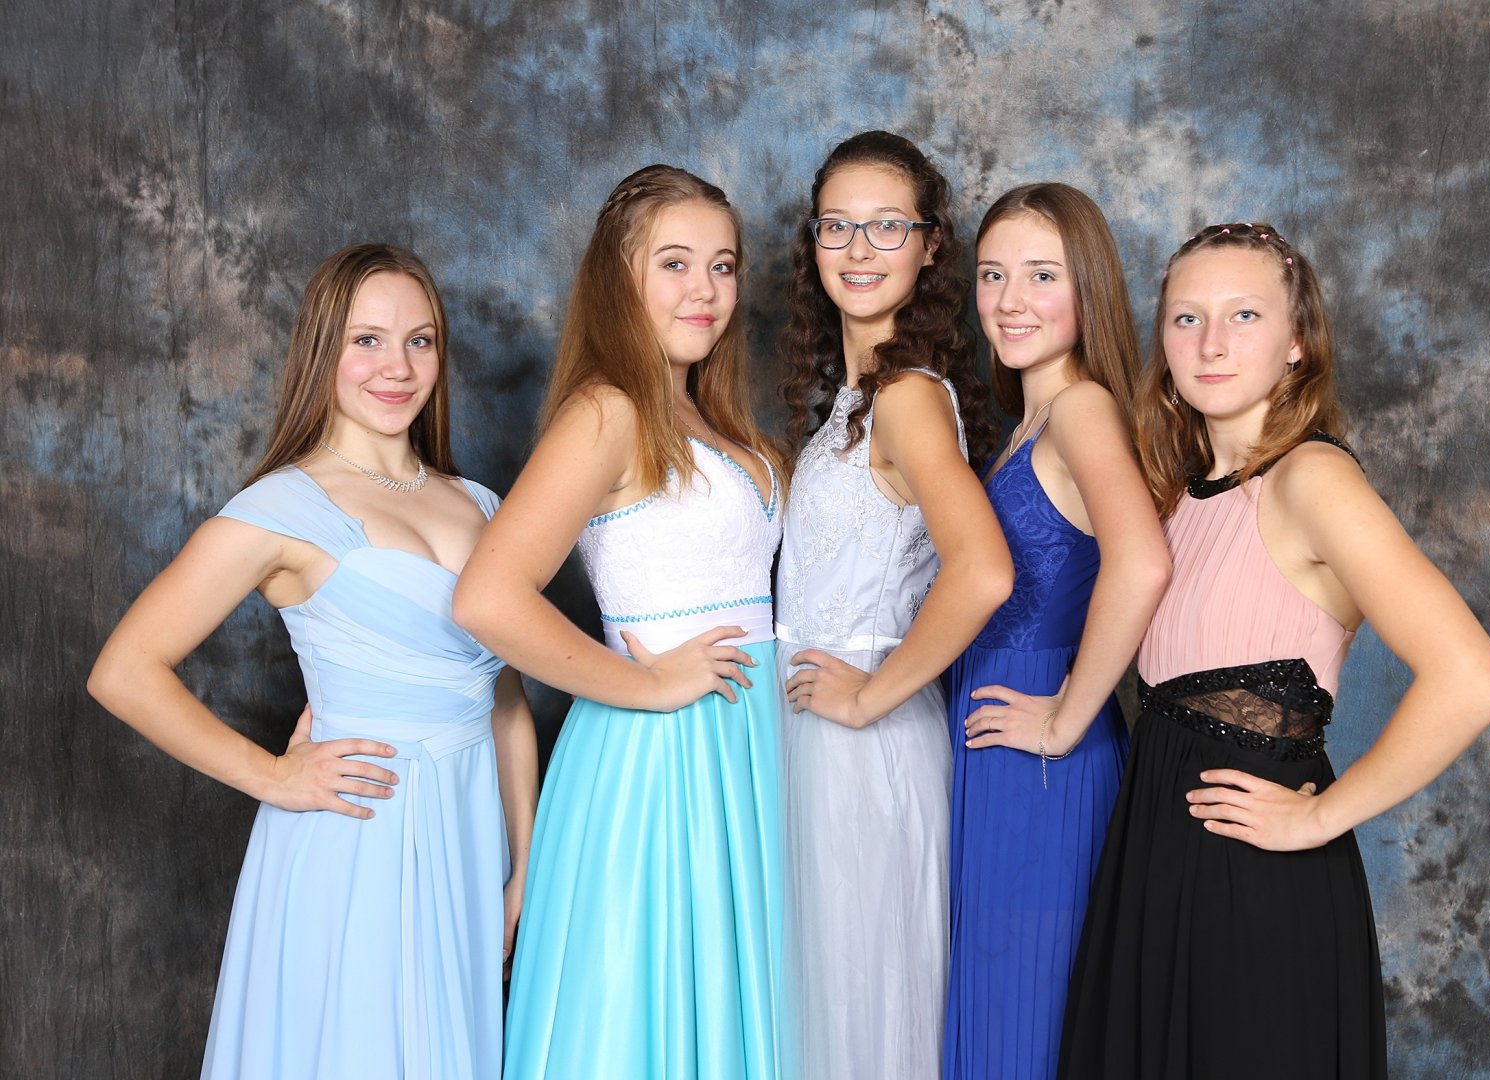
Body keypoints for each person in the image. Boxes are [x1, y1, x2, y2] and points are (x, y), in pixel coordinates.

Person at [1058, 222, 1490, 1078]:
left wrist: (1319, 817)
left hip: (1255, 881)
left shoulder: (1312, 480)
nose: (1212, 343)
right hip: (1153, 860)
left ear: (1297, 341)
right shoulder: (1175, 494)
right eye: (1187, 318)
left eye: (1244, 315)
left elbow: (1473, 678)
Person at [87, 243, 539, 1079]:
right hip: (357, 830)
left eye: (420, 340)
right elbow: (124, 671)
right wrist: (273, 776)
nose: (397, 367)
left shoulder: (482, 505)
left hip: (469, 833)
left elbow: (505, 697)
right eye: (366, 340)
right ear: (322, 351)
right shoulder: (281, 509)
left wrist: (525, 863)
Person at [453, 165, 786, 1079]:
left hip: (748, 744)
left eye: (723, 265)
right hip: (658, 754)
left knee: (732, 1003)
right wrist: (646, 683)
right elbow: (487, 597)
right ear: (618, 278)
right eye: (674, 263)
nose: (704, 289)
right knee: (650, 1006)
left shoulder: (708, 413)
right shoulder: (608, 410)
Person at [775, 130, 1013, 1080]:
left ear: (930, 246)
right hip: (815, 738)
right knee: (827, 1001)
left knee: (860, 1005)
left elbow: (983, 571)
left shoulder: (909, 397)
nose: (860, 248)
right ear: (813, 244)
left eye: (888, 226)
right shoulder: (856, 399)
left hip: (863, 740)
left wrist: (871, 696)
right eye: (838, 226)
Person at [944, 183, 1169, 1078]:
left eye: (1042, 275)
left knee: (1027, 1009)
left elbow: (1142, 563)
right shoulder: (1027, 423)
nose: (1009, 300)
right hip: (995, 737)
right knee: (997, 995)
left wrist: (1064, 719)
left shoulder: (1081, 410)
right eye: (992, 274)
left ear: (1089, 289)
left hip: (1039, 751)